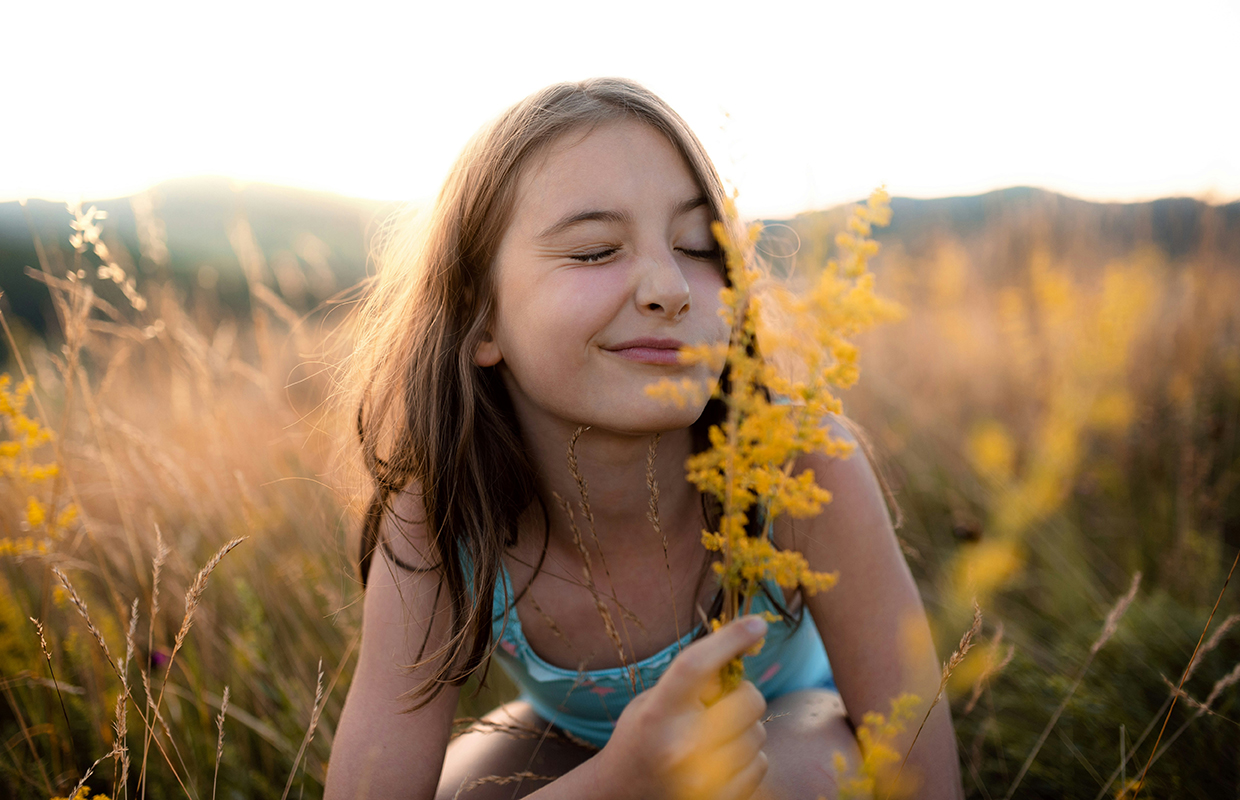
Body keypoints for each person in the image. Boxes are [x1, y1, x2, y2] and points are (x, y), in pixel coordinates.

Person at [326, 78, 962, 800]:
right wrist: (618, 782)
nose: (671, 286)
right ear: (481, 319)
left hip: (792, 727)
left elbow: (918, 761)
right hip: (583, 751)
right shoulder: (435, 516)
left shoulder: (803, 464)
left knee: (782, 779)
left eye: (700, 246)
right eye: (596, 251)